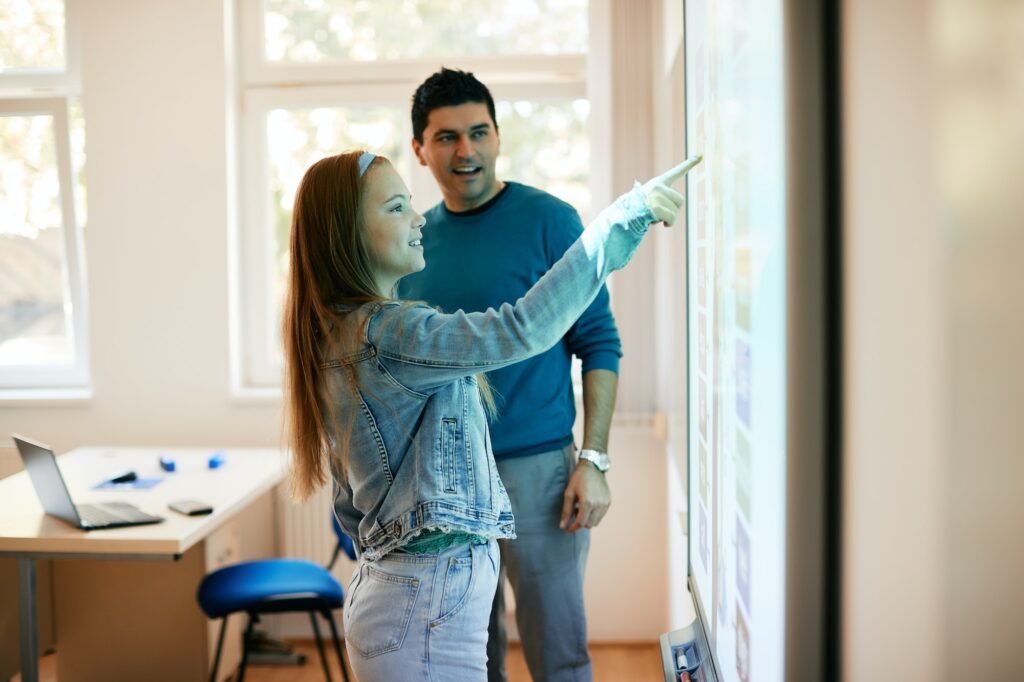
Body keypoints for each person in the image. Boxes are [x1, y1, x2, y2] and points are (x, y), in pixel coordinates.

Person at [283, 148, 699, 681]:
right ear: (346, 235)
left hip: (408, 602)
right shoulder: (387, 333)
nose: (417, 218)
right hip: (420, 612)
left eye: (410, 203)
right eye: (394, 208)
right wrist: (626, 217)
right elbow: (521, 329)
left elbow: (351, 503)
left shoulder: (348, 331)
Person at [400, 67, 616, 681]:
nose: (465, 150)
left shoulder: (551, 221)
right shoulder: (410, 243)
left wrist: (593, 460)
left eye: (478, 132)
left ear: (497, 137)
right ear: (420, 149)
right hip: (445, 480)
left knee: (560, 654)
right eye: (445, 137)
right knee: (469, 658)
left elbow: (599, 343)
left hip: (539, 474)